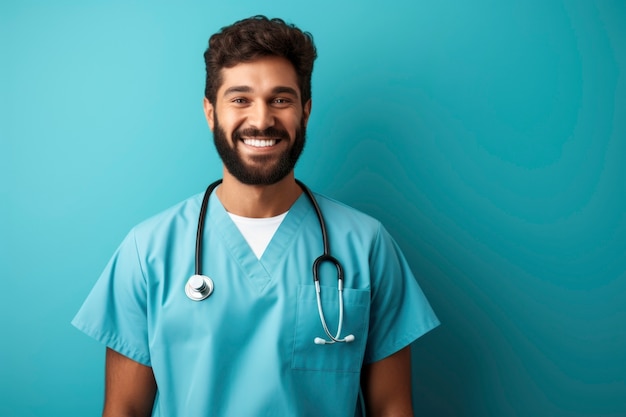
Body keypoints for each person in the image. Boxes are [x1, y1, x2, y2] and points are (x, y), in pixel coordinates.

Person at [72, 15, 439, 417]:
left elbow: (392, 407)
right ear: (211, 112)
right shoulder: (148, 251)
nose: (262, 119)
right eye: (240, 99)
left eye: (280, 99)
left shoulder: (366, 245)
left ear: (306, 111)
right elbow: (123, 408)